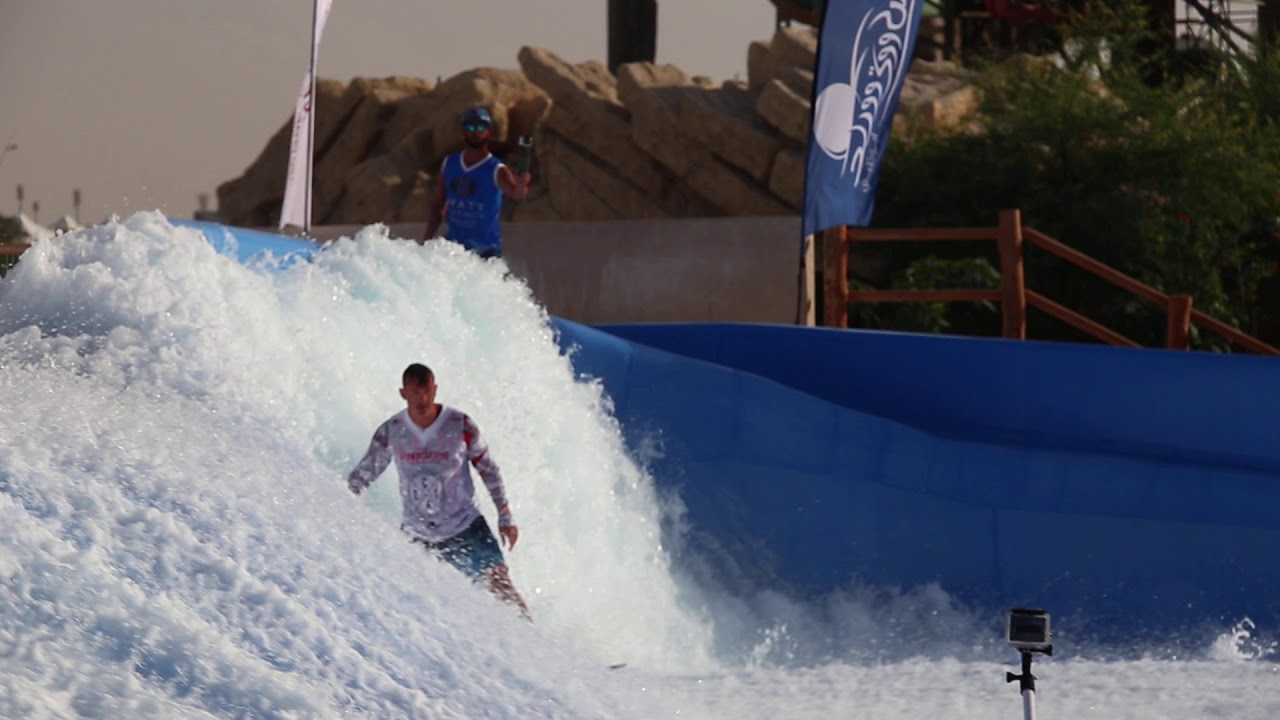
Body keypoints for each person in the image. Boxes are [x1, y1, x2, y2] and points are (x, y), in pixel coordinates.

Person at [347, 363, 531, 620]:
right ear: (403, 393)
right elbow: (363, 476)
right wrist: (338, 505)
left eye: (427, 392)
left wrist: (506, 516)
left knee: (500, 584)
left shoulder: (460, 425)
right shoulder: (393, 430)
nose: (422, 399)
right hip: (418, 536)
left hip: (466, 527)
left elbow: (489, 470)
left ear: (435, 390)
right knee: (424, 608)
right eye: (415, 393)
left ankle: (532, 641)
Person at [421, 107, 531, 259]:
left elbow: (516, 193)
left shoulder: (496, 169)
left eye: (480, 127)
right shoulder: (449, 163)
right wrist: (427, 239)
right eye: (470, 127)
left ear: (488, 131)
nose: (475, 132)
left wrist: (521, 185)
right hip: (454, 249)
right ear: (463, 131)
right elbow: (439, 203)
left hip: (486, 252)